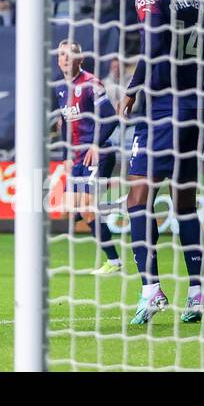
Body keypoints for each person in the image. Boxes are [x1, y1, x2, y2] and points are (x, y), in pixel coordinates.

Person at [120, 0, 204, 326]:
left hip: (163, 108)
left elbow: (152, 48)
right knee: (184, 204)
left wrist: (133, 89)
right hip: (197, 106)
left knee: (136, 199)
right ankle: (195, 294)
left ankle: (151, 289)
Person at [54, 40, 121, 275]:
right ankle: (113, 208)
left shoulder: (92, 84)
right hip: (77, 157)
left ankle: (113, 261)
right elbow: (64, 124)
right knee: (68, 209)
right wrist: (65, 155)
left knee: (87, 208)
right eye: (61, 55)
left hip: (98, 154)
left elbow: (111, 118)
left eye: (69, 55)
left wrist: (95, 144)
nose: (64, 58)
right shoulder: (60, 89)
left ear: (79, 60)